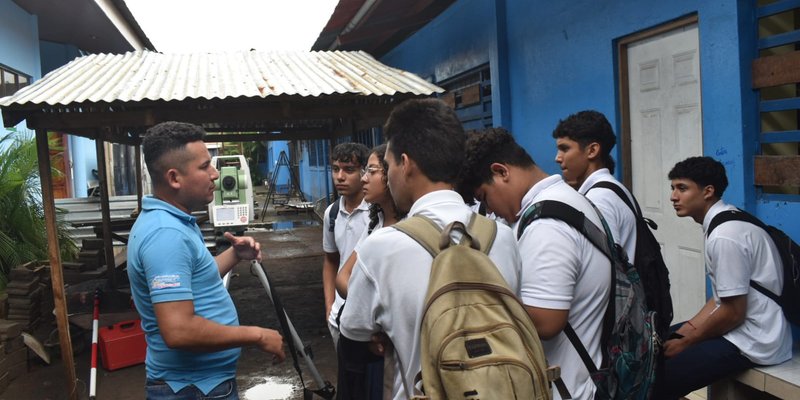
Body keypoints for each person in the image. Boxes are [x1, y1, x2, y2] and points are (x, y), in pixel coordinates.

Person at [338, 99, 522, 399]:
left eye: (389, 164)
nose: (390, 174)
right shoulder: (502, 236)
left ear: (406, 164)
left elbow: (353, 338)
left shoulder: (382, 248)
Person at [128, 121, 285, 400]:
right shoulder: (166, 234)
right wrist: (257, 335)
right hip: (192, 389)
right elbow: (179, 330)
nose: (215, 174)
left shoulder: (175, 221)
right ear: (174, 178)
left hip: (199, 385)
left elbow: (195, 278)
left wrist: (235, 254)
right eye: (204, 167)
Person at [460, 127, 611, 400]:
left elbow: (545, 321)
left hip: (567, 389)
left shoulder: (546, 224)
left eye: (484, 197)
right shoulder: (565, 199)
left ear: (501, 172)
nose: (490, 209)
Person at [657, 156, 792, 399]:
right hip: (746, 329)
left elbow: (733, 312)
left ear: (708, 191)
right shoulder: (726, 220)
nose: (673, 197)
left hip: (753, 340)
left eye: (682, 188)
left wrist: (686, 343)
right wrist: (686, 330)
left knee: (658, 378)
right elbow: (721, 298)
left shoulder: (724, 236)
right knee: (660, 344)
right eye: (673, 188)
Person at [335, 144, 404, 400]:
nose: (364, 178)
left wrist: (366, 301)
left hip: (383, 351)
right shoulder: (376, 222)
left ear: (392, 175)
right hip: (358, 344)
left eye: (371, 171)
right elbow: (342, 277)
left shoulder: (406, 231)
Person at [552, 110, 636, 262]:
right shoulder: (614, 188)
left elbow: (607, 267)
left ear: (592, 150)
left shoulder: (598, 199)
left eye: (565, 149)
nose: (557, 158)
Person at [322, 142, 370, 346]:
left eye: (349, 170)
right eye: (335, 169)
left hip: (368, 315)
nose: (339, 177)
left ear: (364, 172)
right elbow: (331, 261)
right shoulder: (331, 214)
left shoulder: (377, 213)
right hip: (339, 316)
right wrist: (329, 306)